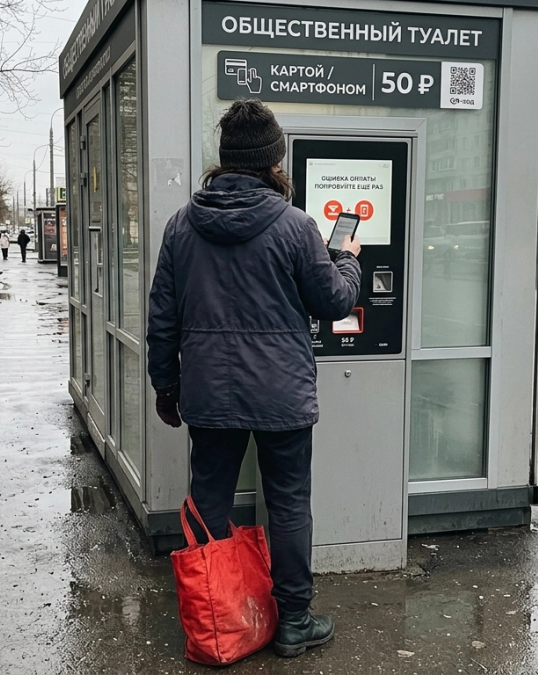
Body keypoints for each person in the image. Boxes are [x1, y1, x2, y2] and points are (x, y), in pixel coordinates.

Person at [146, 99, 361, 659]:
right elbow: (335, 300)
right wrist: (349, 258)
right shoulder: (296, 228)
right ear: (273, 161)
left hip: (209, 393)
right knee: (289, 504)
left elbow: (162, 318)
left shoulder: (181, 227)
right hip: (281, 393)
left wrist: (165, 387)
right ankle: (293, 621)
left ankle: (212, 622)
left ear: (224, 160)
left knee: (208, 501)